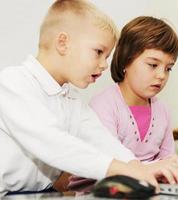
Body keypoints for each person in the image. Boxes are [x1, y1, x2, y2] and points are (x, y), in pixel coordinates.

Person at [0, 0, 159, 196]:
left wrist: (135, 166)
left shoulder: (71, 99)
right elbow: (52, 142)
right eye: (99, 52)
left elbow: (100, 139)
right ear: (63, 43)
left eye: (107, 56)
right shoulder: (12, 83)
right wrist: (118, 168)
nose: (104, 65)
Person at [90, 16, 178, 184]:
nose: (162, 75)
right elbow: (110, 166)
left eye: (168, 68)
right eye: (153, 65)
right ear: (126, 59)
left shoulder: (162, 110)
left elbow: (167, 161)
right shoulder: (103, 105)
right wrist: (159, 166)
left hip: (146, 190)